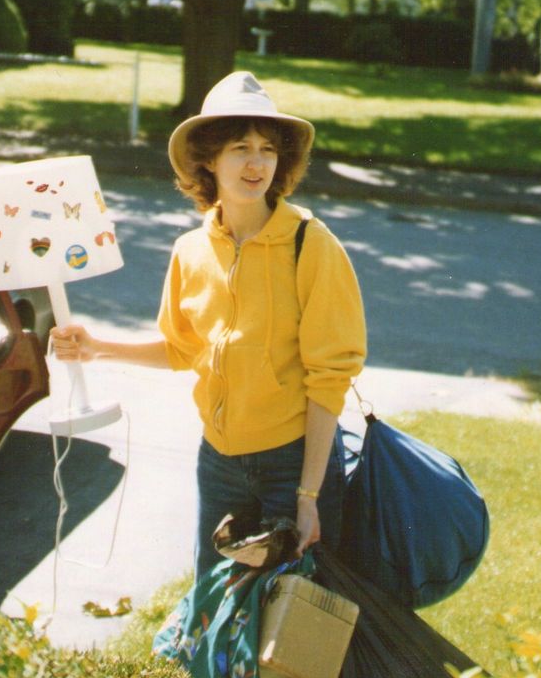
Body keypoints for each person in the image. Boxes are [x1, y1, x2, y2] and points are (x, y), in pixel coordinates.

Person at [50, 71, 367, 579]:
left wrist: (308, 496)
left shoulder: (312, 245)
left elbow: (330, 379)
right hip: (218, 463)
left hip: (292, 464)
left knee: (289, 627)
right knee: (212, 611)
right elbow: (182, 349)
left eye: (267, 148)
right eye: (241, 147)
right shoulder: (190, 251)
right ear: (210, 159)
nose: (257, 162)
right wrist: (96, 348)